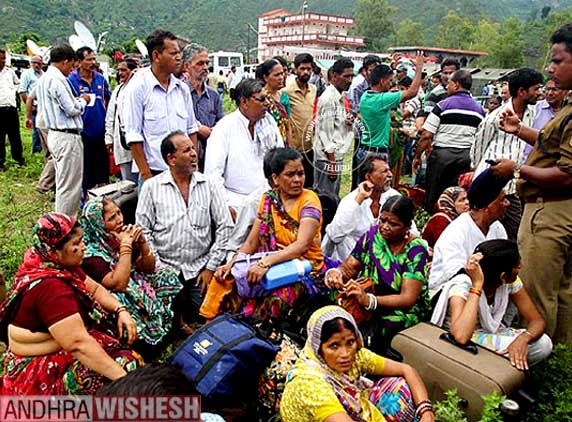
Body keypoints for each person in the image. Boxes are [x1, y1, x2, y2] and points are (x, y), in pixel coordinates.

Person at [0, 213, 142, 395]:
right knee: (127, 364)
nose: (84, 247)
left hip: (59, 344)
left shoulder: (55, 264)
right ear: (55, 252)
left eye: (82, 241)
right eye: (76, 244)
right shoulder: (51, 290)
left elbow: (96, 290)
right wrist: (128, 383)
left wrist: (121, 309)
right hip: (37, 370)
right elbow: (78, 344)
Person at [493, 24, 572, 344]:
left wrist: (518, 170)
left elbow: (567, 172)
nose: (550, 68)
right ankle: (560, 361)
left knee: (537, 295)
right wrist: (520, 130)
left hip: (550, 212)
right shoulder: (566, 106)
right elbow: (552, 143)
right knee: (563, 291)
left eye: (558, 60)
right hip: (557, 209)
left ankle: (535, 364)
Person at [212, 148, 324, 320]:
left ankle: (259, 332)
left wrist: (265, 264)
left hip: (302, 268)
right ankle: (215, 326)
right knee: (227, 280)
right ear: (275, 179)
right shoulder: (268, 199)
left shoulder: (309, 201)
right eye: (290, 174)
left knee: (276, 300)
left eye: (301, 174)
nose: (297, 180)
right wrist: (232, 263)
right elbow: (251, 243)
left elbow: (301, 246)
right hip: (270, 262)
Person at [137, 131, 232, 330]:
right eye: (187, 150)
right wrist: (161, 270)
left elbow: (225, 227)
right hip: (165, 266)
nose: (194, 153)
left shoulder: (209, 185)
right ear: (171, 159)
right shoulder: (152, 187)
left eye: (193, 148)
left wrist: (210, 267)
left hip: (199, 267)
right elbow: (144, 231)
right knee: (163, 317)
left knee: (207, 311)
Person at [280, 305, 435, 422]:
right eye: (334, 346)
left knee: (398, 387)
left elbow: (406, 370)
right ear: (318, 348)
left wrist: (426, 411)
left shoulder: (356, 356)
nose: (345, 354)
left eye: (350, 342)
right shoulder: (309, 384)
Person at [325, 196, 431, 352]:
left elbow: (407, 298)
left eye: (393, 224)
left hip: (400, 307)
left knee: (389, 323)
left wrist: (370, 301)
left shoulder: (416, 250)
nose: (385, 227)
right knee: (331, 296)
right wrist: (336, 273)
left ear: (407, 226)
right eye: (382, 221)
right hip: (367, 294)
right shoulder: (372, 236)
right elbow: (350, 267)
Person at [80, 197, 183, 352]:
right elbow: (118, 284)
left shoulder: (119, 235)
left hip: (136, 281)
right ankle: (146, 344)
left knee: (165, 275)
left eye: (119, 213)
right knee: (124, 297)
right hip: (117, 294)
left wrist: (142, 244)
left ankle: (177, 326)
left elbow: (148, 268)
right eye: (111, 218)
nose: (119, 220)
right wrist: (126, 246)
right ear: (98, 225)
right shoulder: (91, 255)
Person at [431, 240, 553, 370]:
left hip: (492, 334)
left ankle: (501, 370)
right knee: (508, 348)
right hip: (463, 341)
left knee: (543, 344)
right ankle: (497, 372)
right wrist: (477, 285)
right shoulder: (463, 285)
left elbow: (537, 320)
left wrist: (523, 339)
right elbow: (461, 336)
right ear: (503, 276)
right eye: (517, 266)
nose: (520, 267)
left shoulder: (510, 282)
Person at [471, 68, 544, 241]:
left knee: (512, 237)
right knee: (481, 233)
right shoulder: (495, 117)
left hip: (514, 187)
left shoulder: (532, 115)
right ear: (521, 91)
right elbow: (477, 150)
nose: (539, 93)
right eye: (536, 89)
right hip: (491, 186)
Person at [122, 29, 199, 182]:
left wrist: (194, 168)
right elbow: (133, 137)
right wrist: (146, 177)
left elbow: (191, 130)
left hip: (183, 173)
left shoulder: (182, 89)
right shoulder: (138, 87)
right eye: (173, 54)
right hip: (154, 173)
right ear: (156, 56)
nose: (179, 58)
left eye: (179, 53)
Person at [204, 78, 283, 216]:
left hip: (268, 200)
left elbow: (281, 158)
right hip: (235, 204)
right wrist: (224, 206)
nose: (267, 103)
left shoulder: (269, 122)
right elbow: (213, 174)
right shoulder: (225, 127)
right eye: (261, 99)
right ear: (244, 102)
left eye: (267, 99)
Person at [322, 155, 419, 262]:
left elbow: (412, 231)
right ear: (368, 177)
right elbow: (335, 235)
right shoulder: (351, 200)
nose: (390, 175)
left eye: (389, 170)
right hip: (349, 261)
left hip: (385, 261)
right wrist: (359, 200)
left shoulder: (394, 198)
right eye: (384, 171)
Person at [428, 169, 509, 293]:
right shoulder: (455, 233)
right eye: (502, 200)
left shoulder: (497, 228)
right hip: (451, 293)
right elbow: (455, 275)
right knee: (461, 285)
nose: (507, 203)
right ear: (488, 206)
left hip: (484, 288)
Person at [36, 44, 91, 217]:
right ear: (66, 61)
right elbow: (71, 109)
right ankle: (67, 224)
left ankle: (61, 220)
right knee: (70, 185)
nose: (72, 70)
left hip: (55, 133)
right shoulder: (57, 80)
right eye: (72, 65)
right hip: (67, 136)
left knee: (63, 182)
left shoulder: (44, 78)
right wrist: (83, 100)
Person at [420, 70, 485, 212]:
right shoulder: (479, 110)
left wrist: (417, 155)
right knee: (458, 195)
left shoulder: (443, 105)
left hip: (442, 157)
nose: (447, 87)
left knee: (434, 194)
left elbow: (426, 134)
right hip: (465, 158)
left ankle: (433, 220)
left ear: (456, 85)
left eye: (449, 84)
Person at [358, 55, 424, 169]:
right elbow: (412, 92)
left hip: (364, 149)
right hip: (377, 152)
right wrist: (419, 69)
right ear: (382, 81)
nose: (391, 84)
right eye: (390, 81)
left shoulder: (365, 96)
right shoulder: (382, 99)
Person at [69, 46, 111, 192]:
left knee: (102, 167)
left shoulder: (101, 79)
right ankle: (85, 195)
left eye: (94, 59)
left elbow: (107, 100)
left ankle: (101, 196)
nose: (93, 62)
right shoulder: (72, 80)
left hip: (100, 131)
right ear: (79, 62)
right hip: (82, 131)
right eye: (89, 59)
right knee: (85, 166)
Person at [313, 58, 354, 197]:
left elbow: (335, 127)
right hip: (327, 159)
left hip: (334, 157)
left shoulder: (339, 96)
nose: (349, 80)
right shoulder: (329, 99)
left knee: (332, 197)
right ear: (335, 76)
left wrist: (346, 122)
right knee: (325, 200)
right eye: (346, 76)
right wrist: (331, 164)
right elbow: (325, 135)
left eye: (351, 76)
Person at [181, 43, 224, 172]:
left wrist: (215, 130)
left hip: (211, 156)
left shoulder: (213, 95)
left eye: (207, 63)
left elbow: (221, 120)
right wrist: (198, 128)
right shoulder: (178, 93)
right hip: (185, 158)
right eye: (200, 64)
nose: (205, 67)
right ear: (187, 66)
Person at [283, 53, 316, 187]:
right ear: (295, 69)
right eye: (302, 68)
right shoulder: (287, 92)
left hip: (309, 147)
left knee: (308, 185)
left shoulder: (313, 89)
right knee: (294, 185)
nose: (305, 72)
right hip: (294, 149)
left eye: (308, 69)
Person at [105, 58, 138, 183]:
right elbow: (110, 116)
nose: (120, 73)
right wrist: (108, 138)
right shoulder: (118, 90)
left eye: (124, 70)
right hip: (123, 143)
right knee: (128, 182)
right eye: (119, 70)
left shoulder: (141, 88)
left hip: (139, 143)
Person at [521, 78, 567, 162]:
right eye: (547, 89)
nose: (549, 93)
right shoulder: (534, 109)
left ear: (565, 92)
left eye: (554, 90)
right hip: (530, 163)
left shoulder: (568, 113)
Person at [0, 48, 25, 171]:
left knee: (15, 135)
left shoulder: (9, 72)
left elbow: (17, 83)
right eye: (1, 59)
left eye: (4, 58)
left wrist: (12, 92)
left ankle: (18, 159)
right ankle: (0, 162)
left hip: (11, 108)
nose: (3, 61)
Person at [256, 59, 292, 146]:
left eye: (282, 73)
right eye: (276, 75)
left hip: (282, 145)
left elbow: (288, 127)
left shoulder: (284, 97)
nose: (281, 77)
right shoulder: (260, 98)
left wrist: (289, 149)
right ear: (265, 77)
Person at [18, 54, 44, 153]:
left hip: (43, 106)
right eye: (34, 62)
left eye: (39, 63)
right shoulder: (27, 74)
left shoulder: (43, 74)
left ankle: (42, 148)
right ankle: (36, 150)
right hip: (34, 105)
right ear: (31, 63)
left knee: (43, 128)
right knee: (36, 129)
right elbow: (22, 91)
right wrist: (30, 106)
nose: (36, 65)